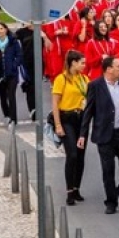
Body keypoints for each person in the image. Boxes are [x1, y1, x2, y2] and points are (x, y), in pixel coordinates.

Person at [79, 57, 119, 214]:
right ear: (109, 69)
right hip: (105, 134)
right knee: (108, 169)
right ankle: (111, 202)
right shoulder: (95, 86)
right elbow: (88, 111)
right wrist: (82, 134)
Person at [51, 50, 89, 205]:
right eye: (82, 63)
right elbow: (55, 103)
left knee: (80, 155)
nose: (84, 66)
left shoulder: (84, 79)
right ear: (73, 63)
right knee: (72, 154)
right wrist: (58, 124)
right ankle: (69, 190)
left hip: (81, 118)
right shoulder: (62, 79)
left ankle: (76, 187)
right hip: (67, 118)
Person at [0, 23, 23, 131]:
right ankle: (7, 115)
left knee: (11, 96)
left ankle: (13, 120)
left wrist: (14, 65)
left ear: (6, 29)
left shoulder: (13, 41)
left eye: (1, 29)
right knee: (3, 97)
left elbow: (19, 55)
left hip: (11, 74)